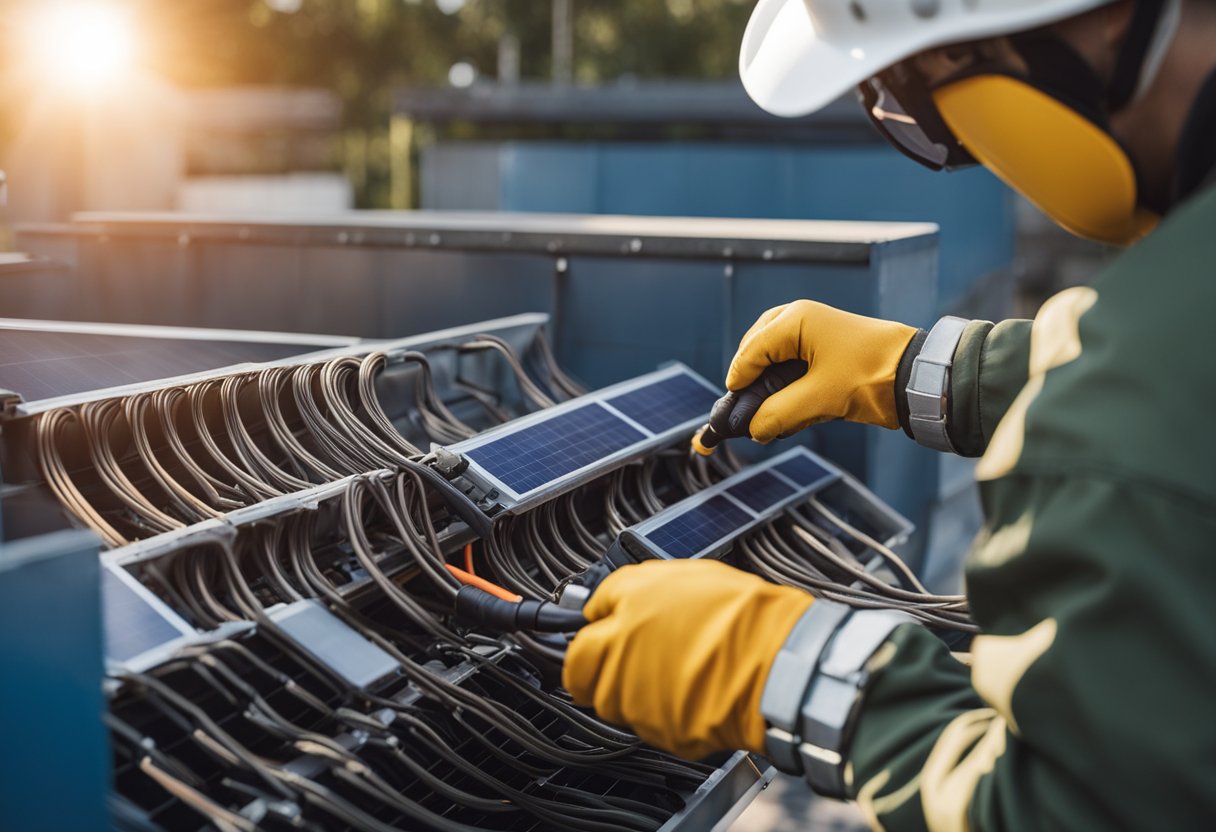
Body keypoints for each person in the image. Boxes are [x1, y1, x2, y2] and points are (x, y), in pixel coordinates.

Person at [562, 0, 1216, 828]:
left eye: (920, 99)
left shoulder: (1127, 422)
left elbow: (1057, 809)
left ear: (1114, 22)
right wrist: (907, 370)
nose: (961, 152)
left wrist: (787, 668)